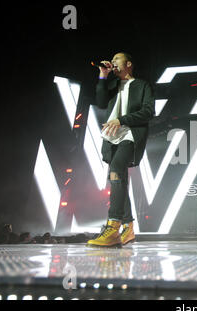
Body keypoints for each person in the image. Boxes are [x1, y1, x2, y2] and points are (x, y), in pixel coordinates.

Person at [87, 52, 155, 248]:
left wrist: (121, 120)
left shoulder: (142, 85)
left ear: (129, 64)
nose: (113, 62)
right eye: (112, 59)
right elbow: (100, 102)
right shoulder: (112, 85)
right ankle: (128, 228)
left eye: (117, 59)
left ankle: (113, 226)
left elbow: (148, 111)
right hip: (112, 136)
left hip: (130, 133)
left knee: (117, 170)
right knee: (118, 178)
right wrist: (103, 75)